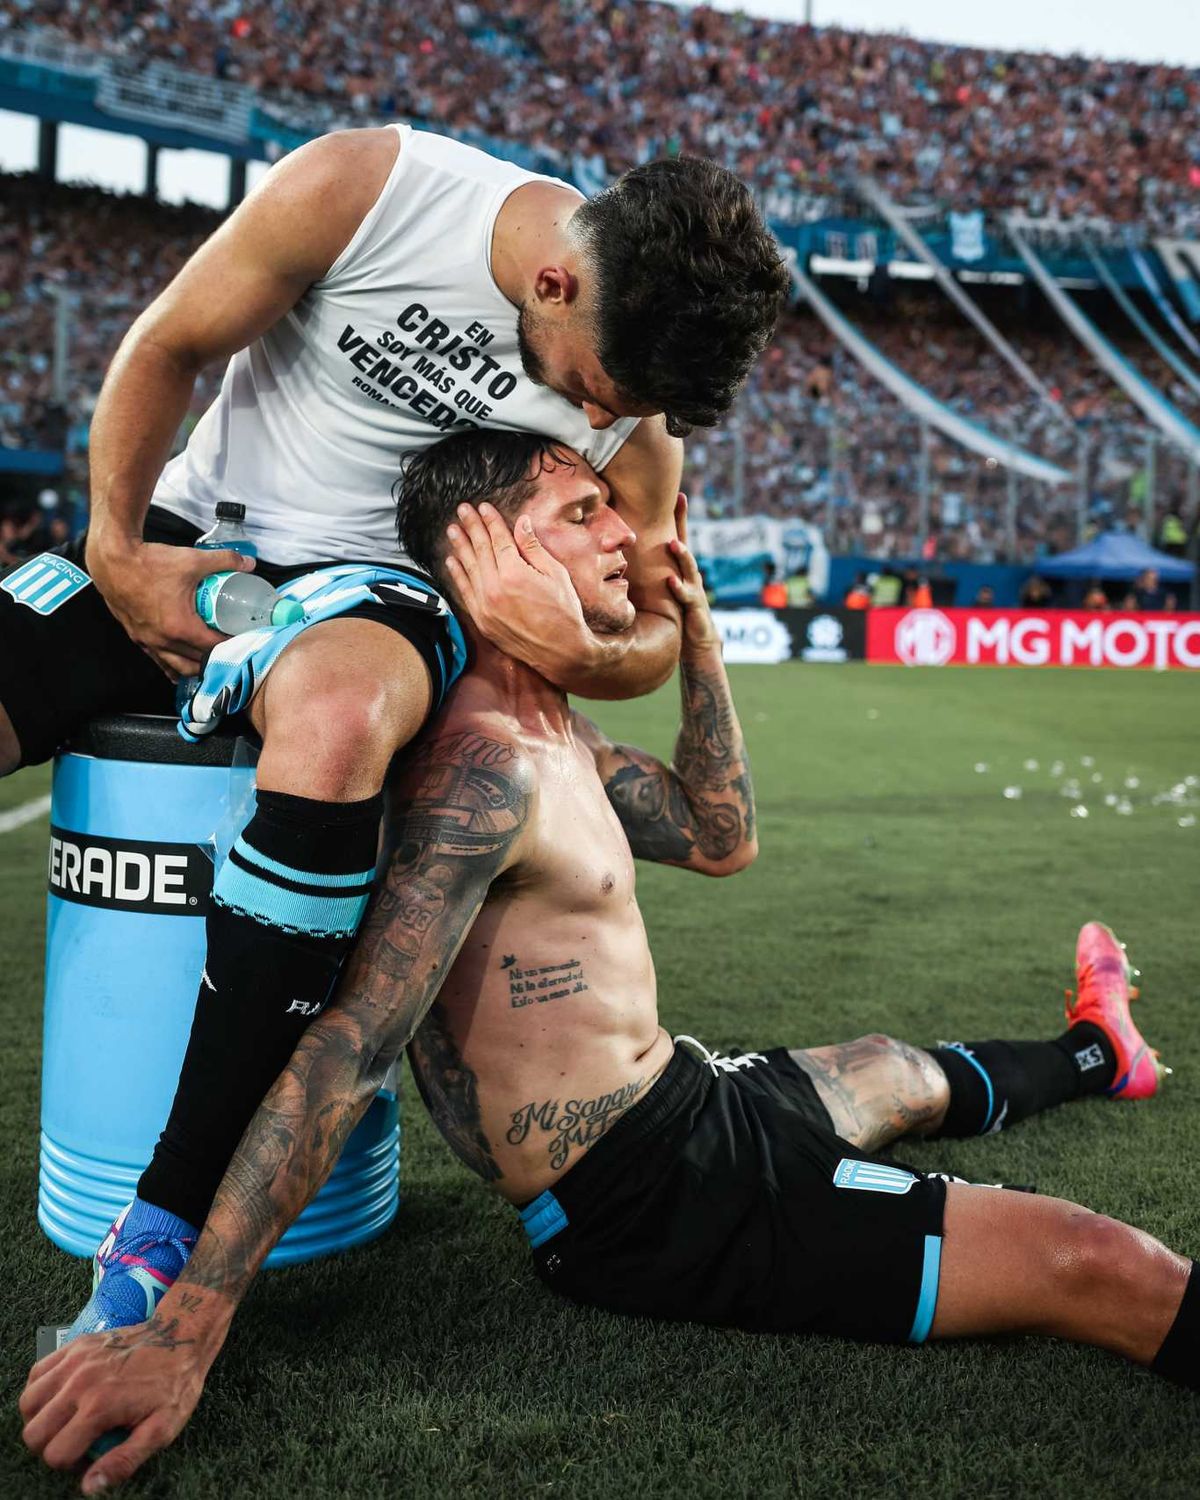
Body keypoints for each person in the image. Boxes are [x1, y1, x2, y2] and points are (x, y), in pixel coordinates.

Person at [23, 431, 1193, 1494]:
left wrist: (701, 638)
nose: (623, 530)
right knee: (1091, 1258)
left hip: (691, 1098)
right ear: (481, 547)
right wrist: (187, 1328)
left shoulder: (558, 733)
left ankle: (1102, 1049)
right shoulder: (478, 770)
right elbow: (346, 1048)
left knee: (897, 1069)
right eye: (582, 512)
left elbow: (721, 839)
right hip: (652, 1202)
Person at [0, 125, 789, 1337]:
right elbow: (172, 343)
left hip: (384, 593)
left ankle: (164, 1216)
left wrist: (587, 656)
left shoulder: (645, 417)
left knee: (343, 713)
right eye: (595, 386)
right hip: (193, 531)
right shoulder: (370, 190)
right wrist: (115, 554)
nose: (595, 413)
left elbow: (651, 622)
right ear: (555, 282)